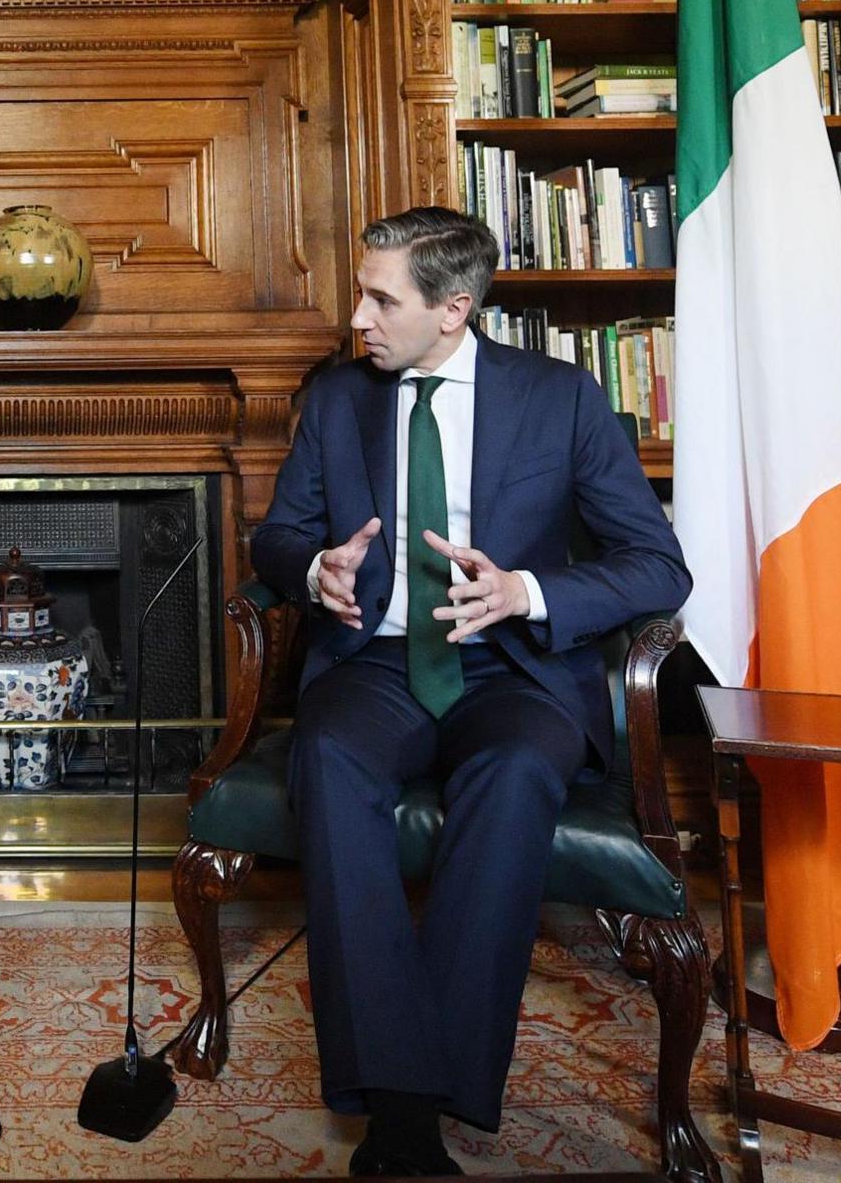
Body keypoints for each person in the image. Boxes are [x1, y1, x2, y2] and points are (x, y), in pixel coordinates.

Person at [250, 207, 690, 1176]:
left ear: (453, 308)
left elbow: (657, 568)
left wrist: (526, 591)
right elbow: (275, 537)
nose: (356, 316)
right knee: (325, 759)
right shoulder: (336, 401)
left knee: (514, 773)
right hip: (375, 662)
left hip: (514, 670)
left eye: (378, 298)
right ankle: (402, 1115)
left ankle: (430, 1088)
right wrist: (313, 569)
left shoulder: (561, 399)